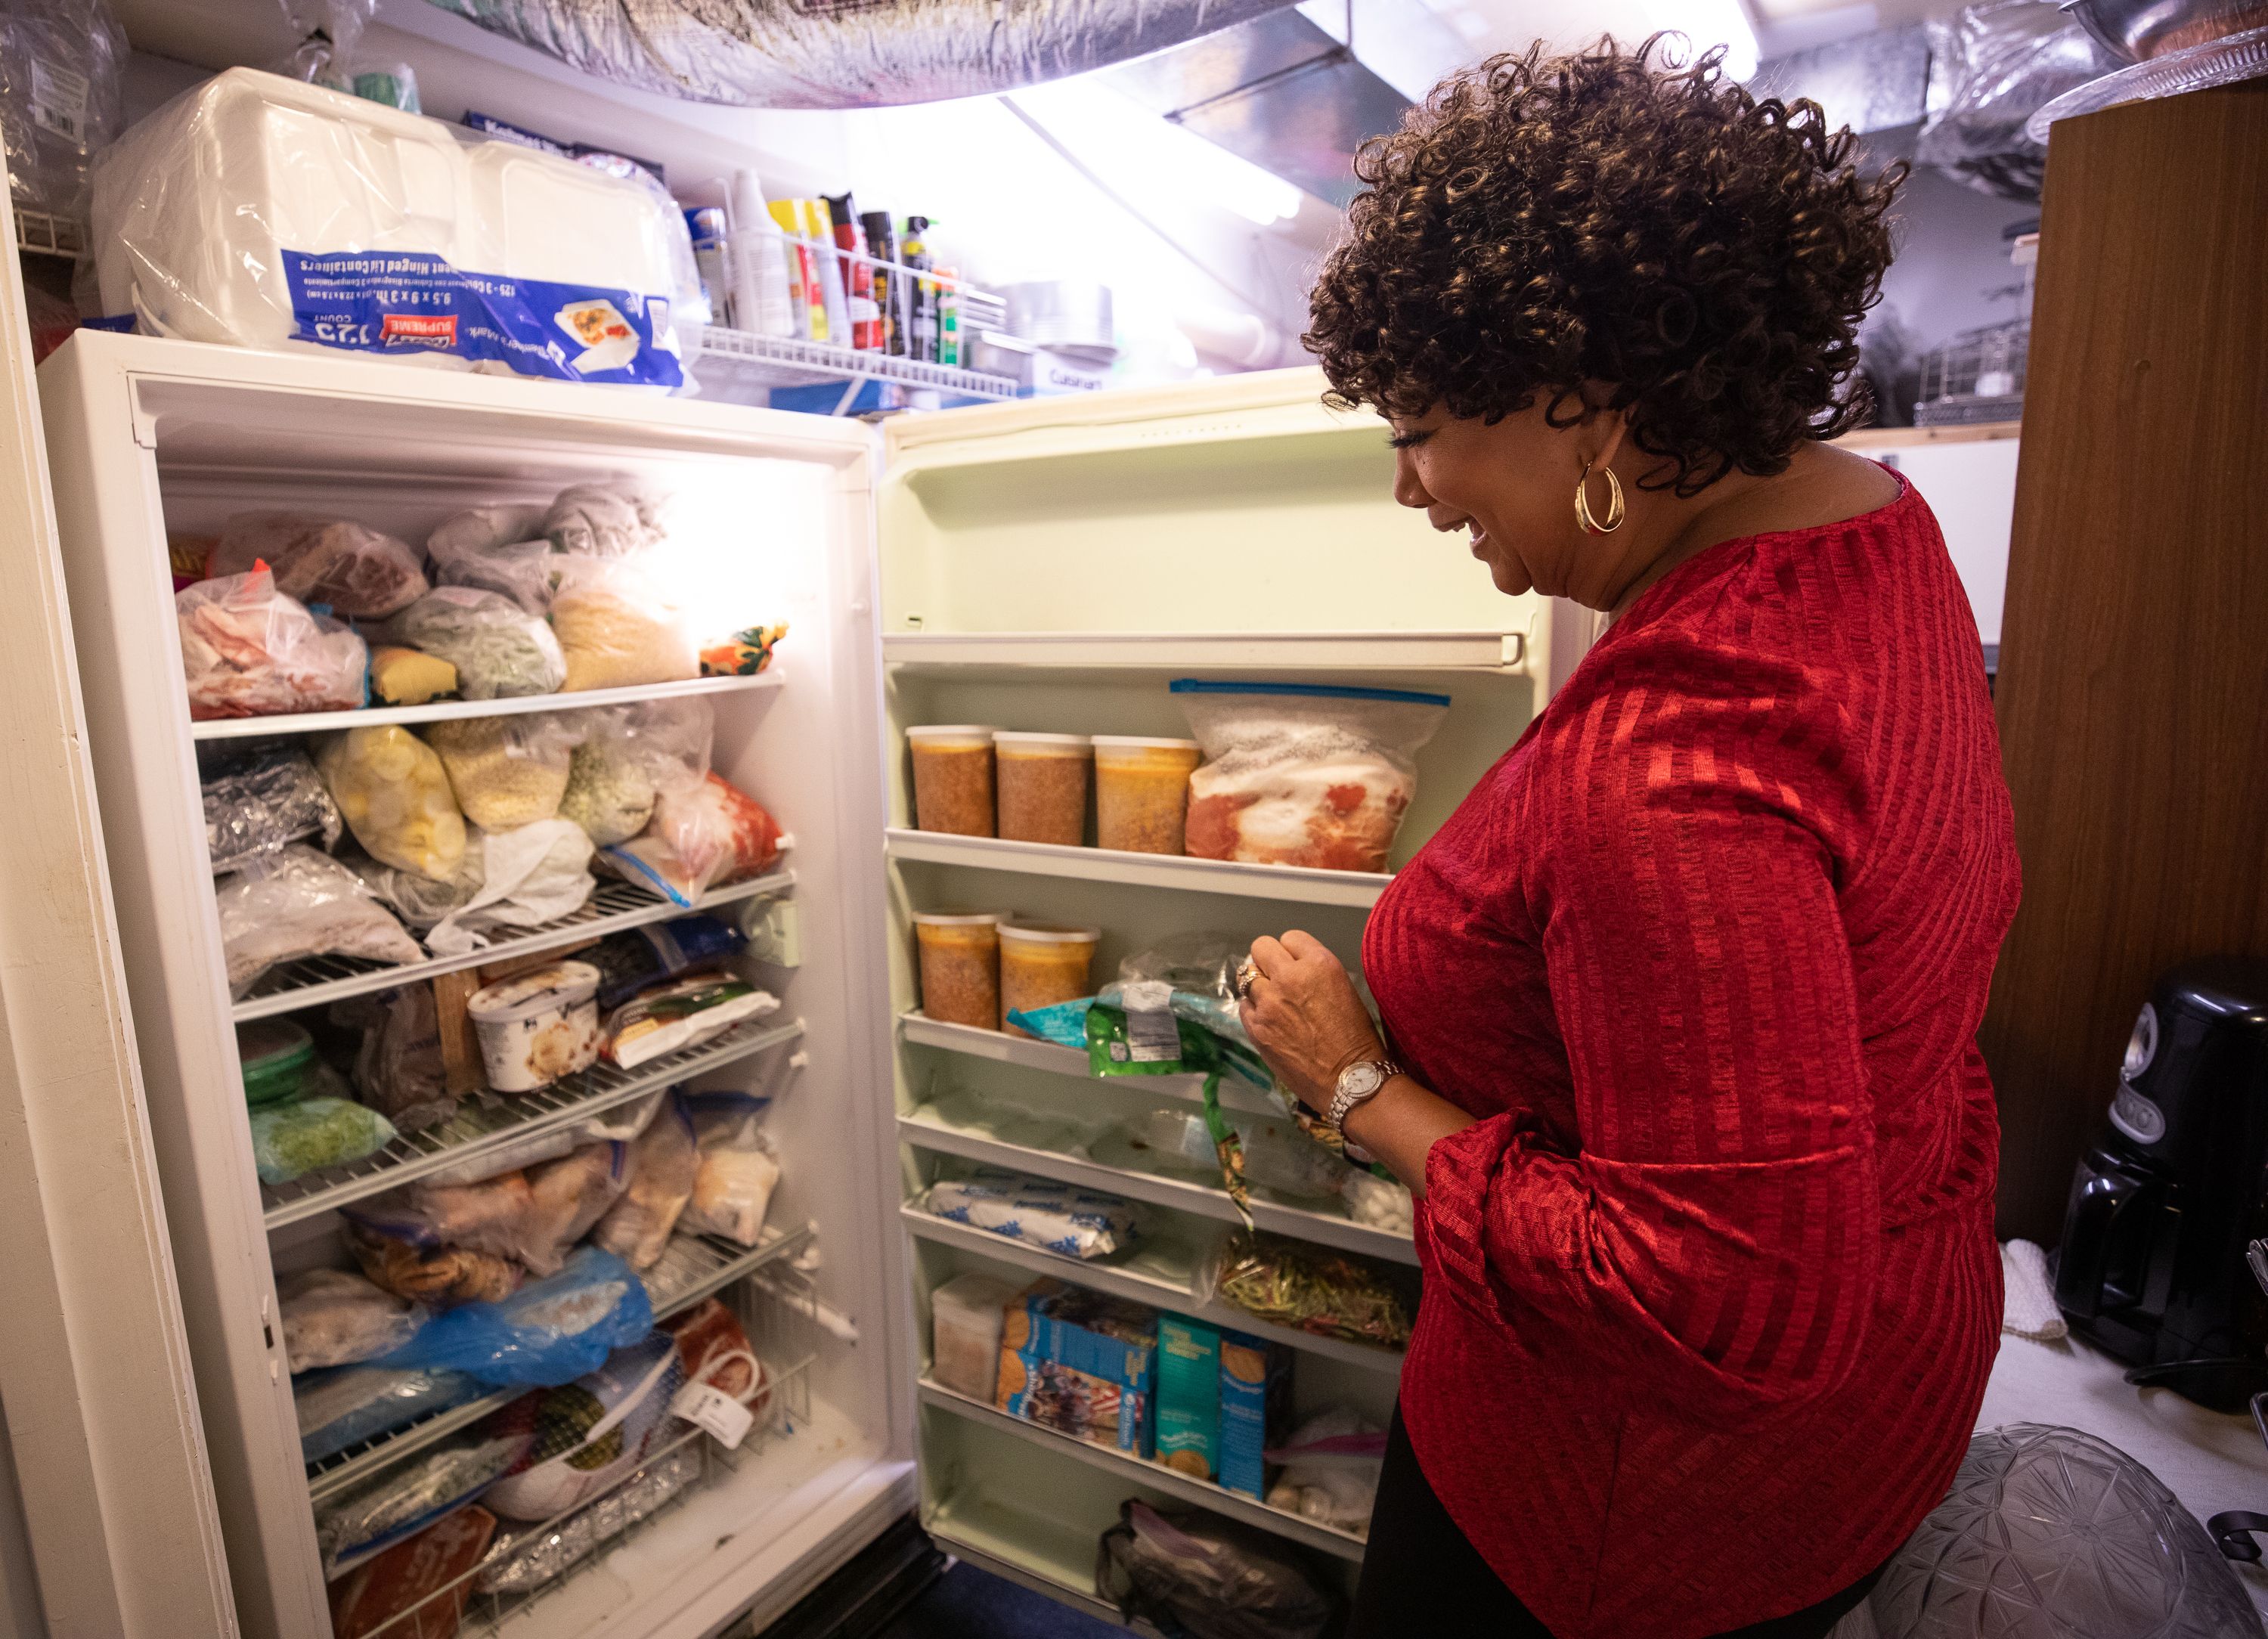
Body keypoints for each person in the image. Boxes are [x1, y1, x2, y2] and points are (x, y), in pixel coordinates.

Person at [1235, 36, 2021, 1639]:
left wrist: (1361, 1087)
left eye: (1421, 427)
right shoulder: (1871, 523)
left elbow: (1721, 1309)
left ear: (1583, 406)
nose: (1411, 486)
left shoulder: (1668, 768)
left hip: (1621, 1522)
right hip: (1881, 1399)